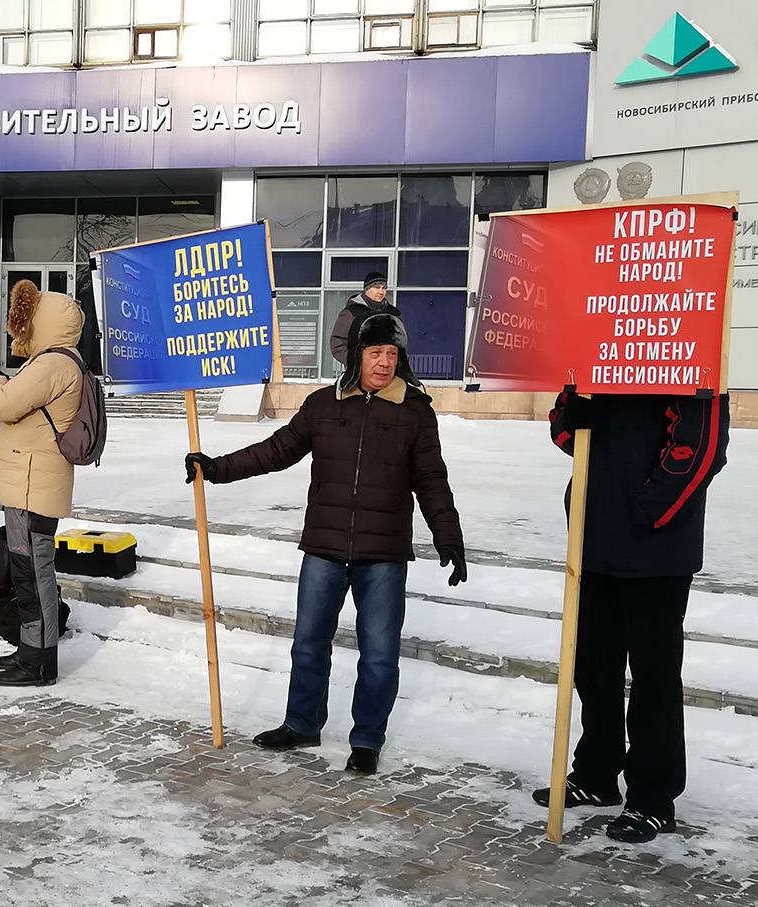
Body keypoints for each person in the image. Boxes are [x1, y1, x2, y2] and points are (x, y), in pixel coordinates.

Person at [185, 314, 466, 774]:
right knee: (309, 644)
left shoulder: (414, 411)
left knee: (378, 654)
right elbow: (274, 452)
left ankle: (367, 740)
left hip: (384, 555)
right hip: (324, 547)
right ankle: (302, 723)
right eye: (375, 353)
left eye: (392, 354)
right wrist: (215, 467)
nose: (384, 363)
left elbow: (432, 480)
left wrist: (447, 533)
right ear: (356, 356)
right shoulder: (323, 406)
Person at [534, 389, 730, 844]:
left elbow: (701, 450)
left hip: (657, 550)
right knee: (594, 671)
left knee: (653, 680)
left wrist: (646, 510)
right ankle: (597, 773)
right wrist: (576, 415)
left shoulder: (691, 360)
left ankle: (653, 797)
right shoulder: (596, 363)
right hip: (594, 539)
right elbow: (564, 432)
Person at [0, 279, 85, 687]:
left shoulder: (53, 364)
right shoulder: (54, 361)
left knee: (33, 572)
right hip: (31, 481)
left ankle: (39, 663)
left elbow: (4, 404)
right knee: (27, 571)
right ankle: (30, 650)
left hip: (32, 485)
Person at [329, 272, 398, 368]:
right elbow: (338, 343)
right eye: (377, 287)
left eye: (384, 288)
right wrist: (356, 362)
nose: (381, 292)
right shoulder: (352, 312)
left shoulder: (393, 313)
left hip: (387, 371)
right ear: (367, 289)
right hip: (360, 373)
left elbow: (400, 343)